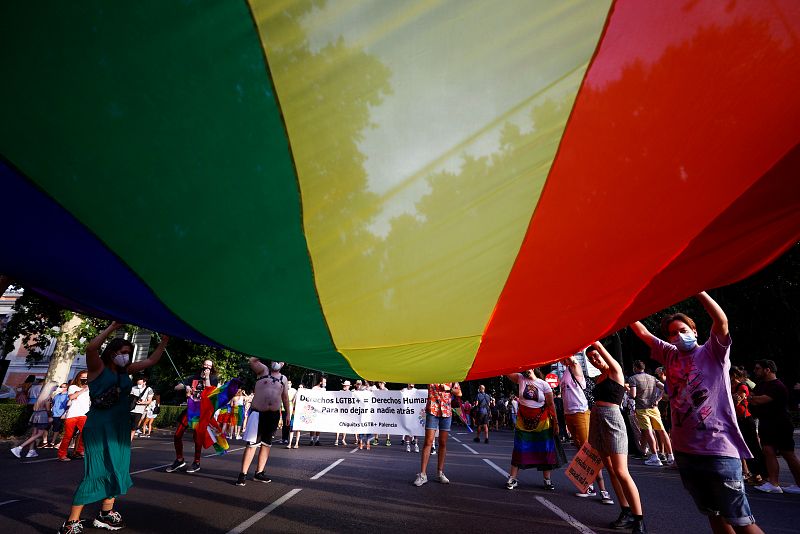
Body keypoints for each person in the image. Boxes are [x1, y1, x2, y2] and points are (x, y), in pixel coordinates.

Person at [631, 291, 763, 534]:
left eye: (683, 330)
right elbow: (642, 332)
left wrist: (697, 289)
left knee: (742, 522)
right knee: (714, 516)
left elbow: (721, 322)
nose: (678, 336)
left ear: (695, 332)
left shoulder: (713, 352)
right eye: (672, 333)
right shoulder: (669, 354)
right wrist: (622, 302)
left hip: (718, 451)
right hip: (685, 453)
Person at [57, 322, 168, 534]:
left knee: (117, 468)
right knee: (96, 469)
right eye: (122, 352)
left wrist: (164, 341)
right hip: (99, 426)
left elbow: (152, 360)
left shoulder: (127, 371)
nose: (125, 356)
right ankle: (71, 523)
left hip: (119, 427)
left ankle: (105, 514)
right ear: (112, 352)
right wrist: (113, 326)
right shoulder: (97, 368)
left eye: (128, 353)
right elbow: (90, 348)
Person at [584, 342, 646, 533]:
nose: (595, 360)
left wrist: (593, 340)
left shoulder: (615, 371)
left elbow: (601, 349)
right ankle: (625, 511)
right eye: (591, 358)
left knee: (621, 471)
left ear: (603, 354)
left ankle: (639, 520)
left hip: (612, 420)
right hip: (597, 421)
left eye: (596, 356)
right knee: (610, 469)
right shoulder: (598, 378)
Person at [560, 354, 613, 504]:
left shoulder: (575, 368)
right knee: (581, 453)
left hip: (581, 413)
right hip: (569, 415)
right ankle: (588, 487)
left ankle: (604, 490)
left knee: (590, 452)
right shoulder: (564, 373)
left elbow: (572, 359)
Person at [504, 369, 565, 492]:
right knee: (519, 448)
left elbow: (551, 404)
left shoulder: (544, 384)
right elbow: (507, 370)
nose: (526, 370)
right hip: (523, 422)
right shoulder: (520, 378)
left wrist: (556, 423)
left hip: (542, 422)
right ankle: (512, 478)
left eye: (529, 367)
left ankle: (547, 480)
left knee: (545, 449)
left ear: (534, 368)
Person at [235, 359, 290, 486]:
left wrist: (288, 414)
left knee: (266, 445)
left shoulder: (283, 378)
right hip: (258, 414)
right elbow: (251, 360)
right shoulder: (263, 370)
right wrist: (266, 348)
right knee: (251, 445)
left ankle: (259, 473)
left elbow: (285, 398)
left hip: (273, 416)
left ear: (283, 364)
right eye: (274, 359)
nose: (276, 362)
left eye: (279, 360)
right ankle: (242, 474)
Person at [749, 359, 800, 494]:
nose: (755, 371)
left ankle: (798, 484)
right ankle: (773, 483)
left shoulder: (777, 386)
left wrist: (749, 398)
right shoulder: (761, 385)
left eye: (758, 368)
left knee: (788, 454)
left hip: (780, 424)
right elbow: (754, 398)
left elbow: (760, 399)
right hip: (767, 423)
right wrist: (752, 398)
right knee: (768, 451)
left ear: (768, 370)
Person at [166, 359, 219, 473]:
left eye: (209, 366)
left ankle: (197, 462)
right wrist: (186, 387)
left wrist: (207, 377)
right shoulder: (193, 377)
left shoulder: (214, 378)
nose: (207, 367)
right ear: (202, 365)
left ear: (212, 368)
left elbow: (210, 391)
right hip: (190, 409)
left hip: (202, 412)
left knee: (197, 437)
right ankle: (179, 460)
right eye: (205, 365)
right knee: (177, 434)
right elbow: (177, 387)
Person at [413, 382, 461, 486]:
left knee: (443, 442)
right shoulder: (431, 373)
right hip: (432, 410)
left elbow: (459, 393)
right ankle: (423, 474)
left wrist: (448, 388)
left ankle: (440, 473)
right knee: (428, 441)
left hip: (446, 411)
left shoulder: (451, 376)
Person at [627, 360, 674, 467]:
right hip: (654, 407)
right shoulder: (652, 378)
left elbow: (633, 395)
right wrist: (658, 399)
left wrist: (628, 391)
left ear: (635, 367)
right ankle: (671, 456)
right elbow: (664, 387)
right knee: (662, 430)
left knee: (648, 431)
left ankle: (655, 457)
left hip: (641, 408)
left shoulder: (633, 378)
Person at [11, 381, 58, 459]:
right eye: (56, 386)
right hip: (42, 415)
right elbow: (48, 409)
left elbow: (35, 407)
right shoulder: (48, 397)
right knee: (39, 434)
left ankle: (31, 451)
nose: (57, 387)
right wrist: (50, 415)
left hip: (36, 414)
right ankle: (19, 448)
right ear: (51, 387)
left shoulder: (41, 395)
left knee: (34, 434)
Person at [58, 370, 91, 461]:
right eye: (83, 377)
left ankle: (79, 450)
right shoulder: (73, 387)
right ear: (79, 378)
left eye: (87, 378)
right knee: (68, 435)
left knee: (85, 433)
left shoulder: (90, 387)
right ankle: (62, 454)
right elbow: (71, 397)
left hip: (84, 414)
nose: (85, 379)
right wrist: (83, 389)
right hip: (73, 414)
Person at [129, 375, 153, 441]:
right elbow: (129, 398)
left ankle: (129, 441)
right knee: (126, 426)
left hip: (139, 411)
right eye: (138, 383)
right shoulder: (133, 388)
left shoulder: (149, 389)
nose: (138, 385)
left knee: (134, 427)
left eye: (140, 384)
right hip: (130, 409)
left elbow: (149, 401)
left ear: (144, 382)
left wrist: (142, 402)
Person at [47, 382, 70, 449]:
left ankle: (53, 442)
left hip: (60, 415)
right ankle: (45, 441)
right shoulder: (57, 395)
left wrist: (64, 414)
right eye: (60, 386)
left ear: (66, 388)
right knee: (47, 427)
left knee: (56, 429)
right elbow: (53, 403)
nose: (60, 388)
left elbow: (68, 406)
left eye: (63, 387)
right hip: (53, 414)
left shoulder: (67, 396)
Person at [403, 383, 420, 453]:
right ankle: (408, 445)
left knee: (416, 430)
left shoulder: (416, 391)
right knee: (407, 429)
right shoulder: (404, 390)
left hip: (415, 413)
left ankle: (416, 445)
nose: (411, 384)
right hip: (407, 412)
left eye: (413, 383)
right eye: (410, 383)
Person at [309, 377, 326, 446]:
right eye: (324, 382)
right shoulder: (314, 388)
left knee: (319, 425)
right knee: (312, 425)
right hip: (314, 409)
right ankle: (311, 440)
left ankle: (317, 440)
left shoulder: (324, 389)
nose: (325, 383)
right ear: (320, 382)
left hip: (320, 409)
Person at [335, 381, 352, 446]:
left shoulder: (351, 393)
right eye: (344, 385)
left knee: (345, 426)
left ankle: (343, 439)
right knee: (338, 426)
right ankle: (336, 439)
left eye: (346, 386)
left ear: (349, 386)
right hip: (340, 411)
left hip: (347, 412)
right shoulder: (340, 392)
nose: (345, 386)